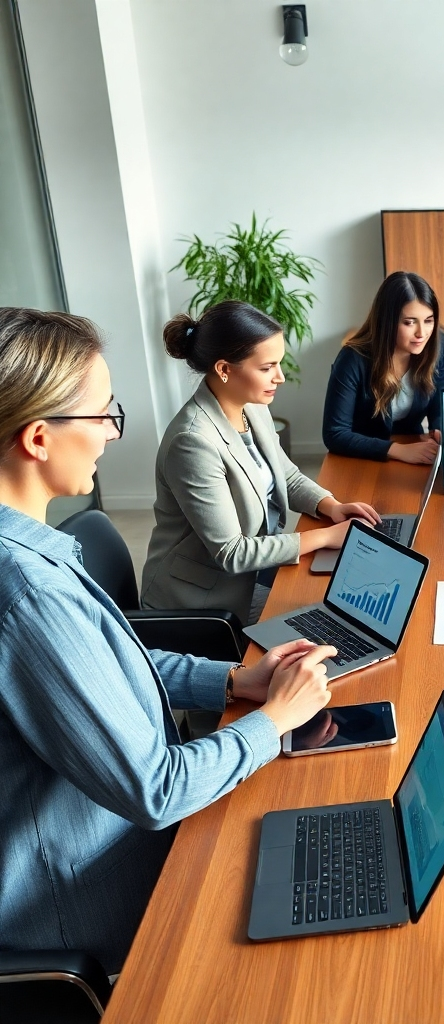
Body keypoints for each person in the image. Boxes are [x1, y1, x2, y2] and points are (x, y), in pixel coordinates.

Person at [0, 307, 339, 972]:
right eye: (101, 415)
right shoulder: (29, 590)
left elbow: (104, 660)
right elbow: (158, 791)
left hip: (103, 831)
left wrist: (234, 681)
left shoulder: (34, 554)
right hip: (81, 893)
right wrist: (273, 720)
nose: (109, 434)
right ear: (39, 438)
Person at [142, 301, 380, 624]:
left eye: (279, 364)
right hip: (204, 603)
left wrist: (330, 505)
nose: (280, 377)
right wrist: (326, 537)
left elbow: (287, 475)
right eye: (267, 367)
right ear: (224, 370)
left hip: (254, 575)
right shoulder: (192, 442)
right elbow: (232, 553)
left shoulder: (251, 406)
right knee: (324, 623)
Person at [322, 271, 444, 463]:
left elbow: (438, 403)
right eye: (409, 322)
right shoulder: (353, 358)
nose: (422, 333)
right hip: (361, 456)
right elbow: (335, 434)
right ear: (387, 321)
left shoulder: (439, 346)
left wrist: (439, 428)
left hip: (414, 448)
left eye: (428, 321)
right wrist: (396, 450)